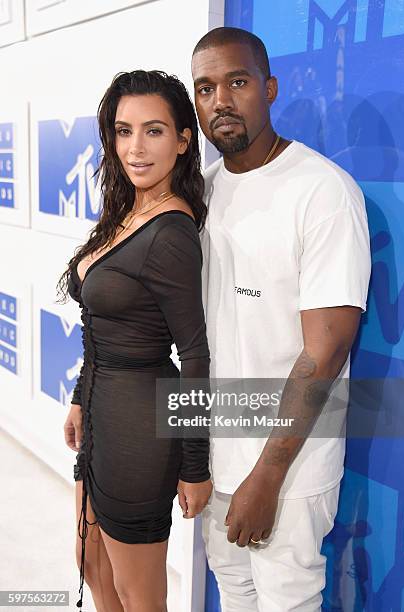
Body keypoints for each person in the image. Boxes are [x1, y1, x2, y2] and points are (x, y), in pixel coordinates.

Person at [191, 27, 371, 611]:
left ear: (269, 89)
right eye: (205, 88)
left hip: (288, 467)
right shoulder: (204, 191)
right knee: (235, 591)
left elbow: (326, 350)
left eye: (237, 82)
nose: (221, 100)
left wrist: (267, 476)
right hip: (219, 455)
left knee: (287, 601)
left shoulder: (321, 191)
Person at [57, 70, 212, 612]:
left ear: (182, 140)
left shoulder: (171, 233)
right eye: (124, 131)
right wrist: (81, 396)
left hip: (142, 430)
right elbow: (103, 329)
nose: (136, 147)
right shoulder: (127, 209)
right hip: (102, 412)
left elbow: (194, 354)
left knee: (137, 593)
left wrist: (195, 465)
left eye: (154, 131)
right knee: (92, 565)